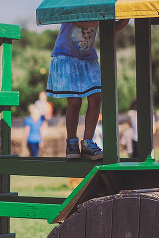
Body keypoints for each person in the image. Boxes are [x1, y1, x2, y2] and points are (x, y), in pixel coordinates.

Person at [46, 20, 128, 160]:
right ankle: (71, 142)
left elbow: (113, 28)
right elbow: (80, 22)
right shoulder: (79, 7)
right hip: (67, 55)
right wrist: (104, 20)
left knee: (96, 97)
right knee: (75, 101)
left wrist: (127, 17)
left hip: (87, 57)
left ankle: (87, 143)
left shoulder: (100, 13)